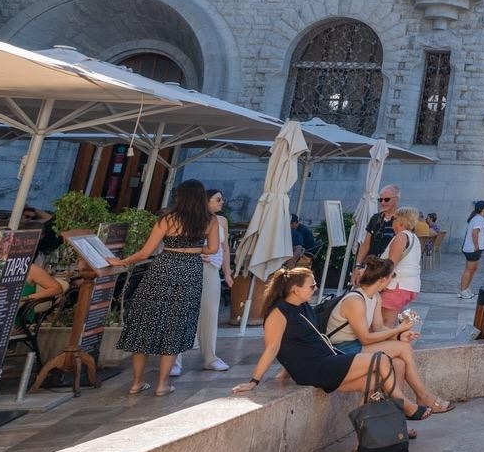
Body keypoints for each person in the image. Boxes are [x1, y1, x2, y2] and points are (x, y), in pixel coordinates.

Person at [234, 265, 446, 417]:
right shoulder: (278, 313)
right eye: (311, 285)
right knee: (380, 360)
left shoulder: (304, 306)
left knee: (374, 382)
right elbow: (273, 347)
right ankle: (406, 406)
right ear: (294, 289)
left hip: (326, 358)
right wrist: (254, 381)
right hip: (315, 367)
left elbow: (303, 340)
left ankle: (366, 440)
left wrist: (285, 371)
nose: (315, 287)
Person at [116, 179, 220, 396]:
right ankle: (162, 384)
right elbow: (212, 249)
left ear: (179, 197)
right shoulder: (209, 221)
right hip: (190, 272)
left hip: (163, 268)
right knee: (176, 324)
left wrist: (122, 262)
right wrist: (193, 248)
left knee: (145, 322)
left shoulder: (167, 219)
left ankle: (137, 382)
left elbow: (145, 253)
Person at [188, 188, 233, 372]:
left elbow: (225, 248)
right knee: (186, 310)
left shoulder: (222, 221)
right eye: (218, 199)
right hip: (191, 267)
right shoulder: (191, 219)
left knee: (210, 312)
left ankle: (210, 356)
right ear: (206, 201)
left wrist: (227, 273)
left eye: (222, 199)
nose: (222, 202)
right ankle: (175, 359)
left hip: (212, 269)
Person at [381, 206, 423, 314]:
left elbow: (390, 265)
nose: (391, 222)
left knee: (385, 324)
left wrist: (381, 286)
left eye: (394, 219)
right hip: (410, 286)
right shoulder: (414, 237)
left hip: (397, 285)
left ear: (400, 220)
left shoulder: (401, 236)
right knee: (392, 323)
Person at [355, 185, 400, 280]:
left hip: (389, 273)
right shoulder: (375, 218)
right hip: (371, 269)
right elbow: (365, 244)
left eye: (387, 199)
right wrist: (357, 266)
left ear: (396, 199)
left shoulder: (401, 220)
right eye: (380, 200)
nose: (383, 202)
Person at [458, 201, 484, 297]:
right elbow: (474, 232)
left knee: (473, 269)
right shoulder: (478, 219)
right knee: (469, 269)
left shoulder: (478, 218)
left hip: (475, 249)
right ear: (482, 209)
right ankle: (463, 290)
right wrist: (476, 246)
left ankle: (466, 288)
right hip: (473, 249)